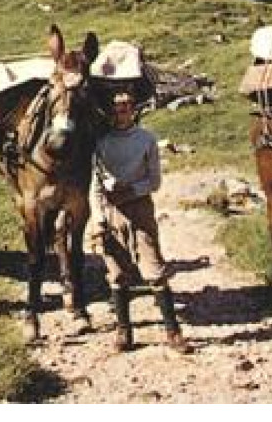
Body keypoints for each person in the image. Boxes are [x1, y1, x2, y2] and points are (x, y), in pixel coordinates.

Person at [93, 89, 191, 353]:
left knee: (153, 269)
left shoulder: (146, 139)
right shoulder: (101, 143)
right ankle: (124, 332)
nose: (120, 112)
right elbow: (95, 185)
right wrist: (99, 219)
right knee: (117, 272)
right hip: (112, 211)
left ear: (133, 109)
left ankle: (173, 332)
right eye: (115, 107)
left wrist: (133, 190)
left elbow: (154, 181)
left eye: (124, 106)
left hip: (140, 209)